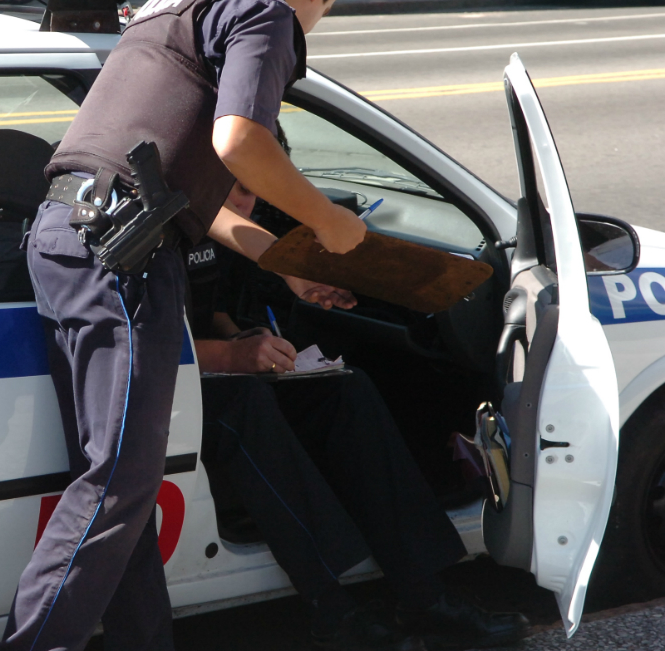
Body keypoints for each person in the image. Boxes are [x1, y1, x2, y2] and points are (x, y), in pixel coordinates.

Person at [1, 0, 369, 648]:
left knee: (123, 492)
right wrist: (326, 222)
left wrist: (282, 263)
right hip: (124, 251)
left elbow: (177, 182)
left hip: (66, 230)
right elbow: (239, 142)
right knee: (117, 485)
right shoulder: (265, 11)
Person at [188, 178, 531, 650]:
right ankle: (331, 611)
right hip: (155, 389)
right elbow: (132, 344)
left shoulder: (224, 232)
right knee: (247, 406)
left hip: (210, 365)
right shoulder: (150, 220)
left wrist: (240, 340)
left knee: (345, 391)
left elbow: (210, 309)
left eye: (250, 190)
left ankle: (423, 595)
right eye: (228, 187)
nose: (237, 201)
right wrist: (228, 359)